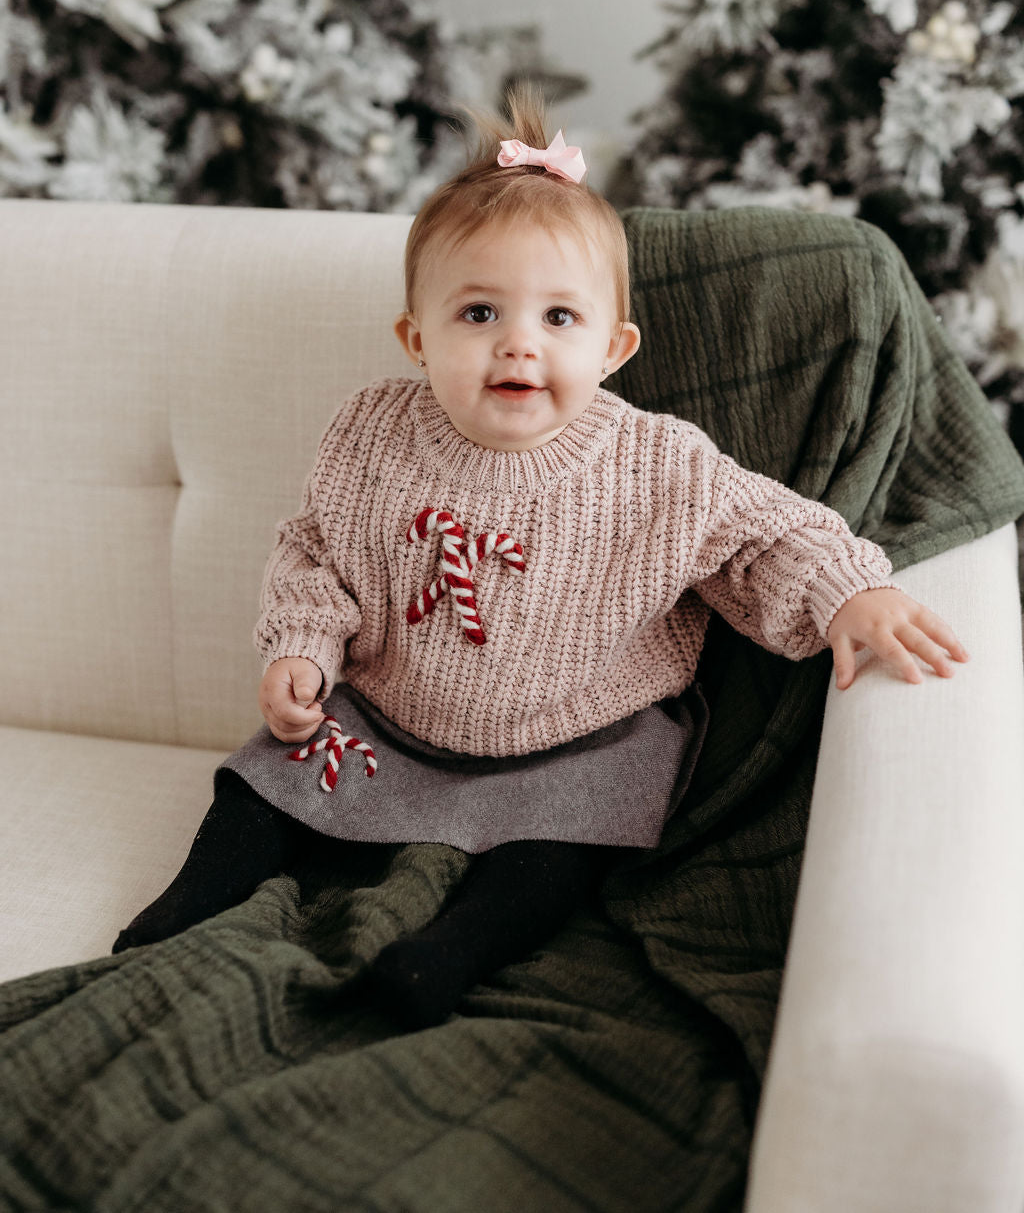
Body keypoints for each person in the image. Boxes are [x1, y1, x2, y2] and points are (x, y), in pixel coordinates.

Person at [113, 85, 969, 1026]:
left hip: (579, 737)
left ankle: (447, 955)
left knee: (567, 848)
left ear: (613, 346)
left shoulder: (657, 461)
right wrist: (303, 650)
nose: (518, 343)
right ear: (417, 339)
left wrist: (848, 594)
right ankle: (183, 909)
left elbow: (762, 535)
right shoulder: (371, 435)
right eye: (479, 313)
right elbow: (316, 552)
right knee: (264, 775)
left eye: (559, 319)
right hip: (391, 719)